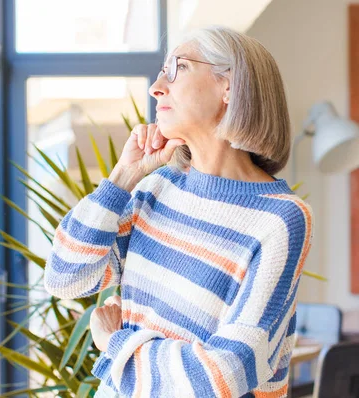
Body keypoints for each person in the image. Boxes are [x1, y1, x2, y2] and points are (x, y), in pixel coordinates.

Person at [43, 25, 314, 398]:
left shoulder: (279, 220)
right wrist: (122, 178)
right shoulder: (156, 188)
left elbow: (223, 374)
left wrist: (115, 344)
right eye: (160, 72)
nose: (157, 87)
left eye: (178, 68)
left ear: (229, 86)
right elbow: (66, 278)